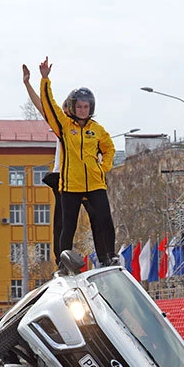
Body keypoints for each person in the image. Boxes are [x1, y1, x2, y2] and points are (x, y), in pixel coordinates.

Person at [22, 57, 117, 269]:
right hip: (65, 178)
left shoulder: (94, 128)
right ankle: (62, 261)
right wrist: (32, 83)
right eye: (76, 106)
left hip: (91, 179)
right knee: (64, 223)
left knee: (99, 218)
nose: (80, 109)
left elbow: (108, 148)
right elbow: (44, 106)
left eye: (85, 106)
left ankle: (106, 256)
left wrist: (102, 168)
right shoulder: (62, 126)